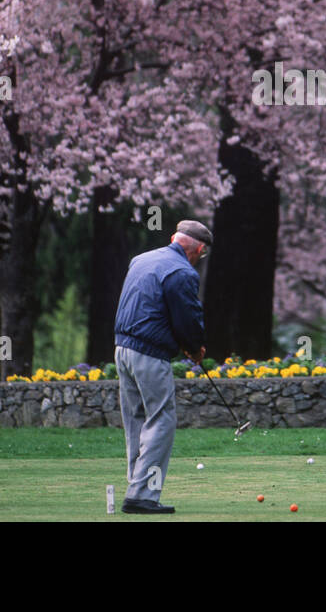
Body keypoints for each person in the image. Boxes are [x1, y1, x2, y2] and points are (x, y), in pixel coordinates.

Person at [113, 219, 210, 515]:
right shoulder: (182, 271)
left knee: (136, 419)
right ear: (199, 249)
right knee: (162, 419)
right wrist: (195, 348)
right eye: (202, 255)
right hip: (149, 354)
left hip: (121, 349)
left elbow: (152, 305)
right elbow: (187, 317)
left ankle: (136, 486)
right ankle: (142, 495)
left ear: (173, 238)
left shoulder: (140, 259)